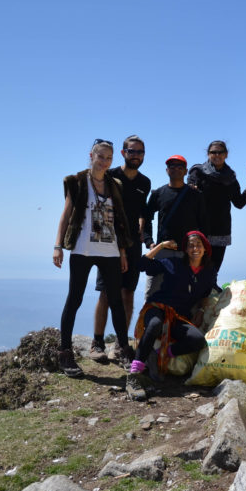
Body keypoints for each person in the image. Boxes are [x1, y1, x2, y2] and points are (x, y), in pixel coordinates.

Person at [52, 139, 132, 378]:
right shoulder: (77, 182)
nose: (105, 161)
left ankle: (125, 351)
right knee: (74, 299)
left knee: (116, 301)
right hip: (82, 249)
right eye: (101, 157)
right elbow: (65, 216)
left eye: (109, 158)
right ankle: (65, 353)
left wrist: (123, 252)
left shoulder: (114, 184)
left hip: (110, 251)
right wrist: (58, 246)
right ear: (92, 156)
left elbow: (119, 222)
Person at [125, 231, 218, 401]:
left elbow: (207, 293)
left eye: (198, 245)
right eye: (190, 245)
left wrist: (202, 311)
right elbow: (141, 265)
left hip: (178, 317)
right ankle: (134, 376)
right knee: (154, 325)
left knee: (197, 340)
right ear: (185, 249)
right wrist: (160, 246)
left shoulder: (209, 271)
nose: (195, 248)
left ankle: (159, 354)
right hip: (158, 307)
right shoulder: (173, 262)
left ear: (205, 249)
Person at [90, 136, 150, 363]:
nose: (136, 155)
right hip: (109, 242)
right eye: (132, 151)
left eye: (140, 152)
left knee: (127, 293)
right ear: (124, 153)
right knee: (106, 292)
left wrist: (143, 226)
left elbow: (144, 210)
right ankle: (97, 343)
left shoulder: (145, 183)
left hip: (133, 244)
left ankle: (120, 344)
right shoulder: (110, 176)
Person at [141, 154, 208, 298]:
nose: (176, 169)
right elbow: (147, 218)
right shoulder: (158, 193)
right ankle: (151, 320)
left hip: (187, 252)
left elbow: (203, 224)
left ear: (185, 171)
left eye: (180, 167)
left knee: (185, 294)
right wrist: (149, 242)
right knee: (153, 293)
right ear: (167, 170)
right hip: (163, 251)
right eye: (172, 166)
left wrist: (200, 250)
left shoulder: (195, 195)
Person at [187, 140, 246, 269]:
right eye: (213, 152)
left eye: (220, 152)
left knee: (214, 269)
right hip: (199, 227)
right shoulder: (198, 172)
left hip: (221, 229)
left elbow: (239, 203)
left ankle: (211, 287)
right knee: (195, 268)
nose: (217, 155)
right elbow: (190, 194)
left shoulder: (230, 178)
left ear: (226, 154)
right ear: (208, 154)